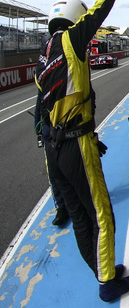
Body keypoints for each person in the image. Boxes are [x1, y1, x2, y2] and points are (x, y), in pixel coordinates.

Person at [34, 0, 129, 302]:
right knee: (102, 213)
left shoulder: (42, 56)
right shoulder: (73, 39)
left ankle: (100, 268)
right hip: (77, 144)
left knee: (79, 217)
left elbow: (43, 109)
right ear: (75, 17)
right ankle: (108, 282)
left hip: (53, 147)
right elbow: (101, 7)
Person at [33, 97, 70, 227]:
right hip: (48, 130)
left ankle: (83, 199)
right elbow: (40, 99)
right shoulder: (42, 78)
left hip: (68, 125)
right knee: (53, 173)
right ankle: (61, 207)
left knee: (74, 166)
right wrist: (38, 126)